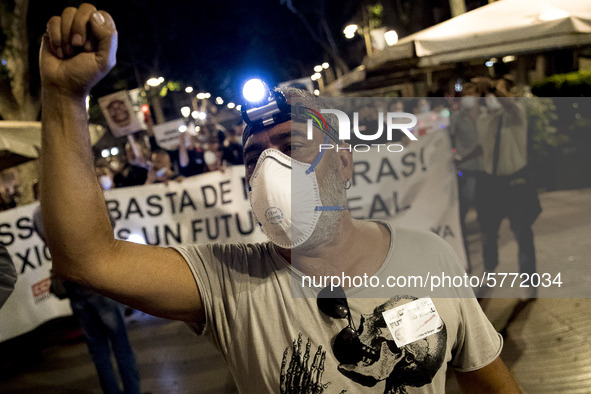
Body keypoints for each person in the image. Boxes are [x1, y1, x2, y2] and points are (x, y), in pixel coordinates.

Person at [39, 5, 521, 393]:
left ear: (343, 162)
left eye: (292, 148)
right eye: (254, 160)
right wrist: (63, 97)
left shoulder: (429, 257)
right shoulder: (228, 283)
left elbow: (486, 379)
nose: (269, 170)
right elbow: (86, 257)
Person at [33, 169, 141, 394]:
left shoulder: (38, 213)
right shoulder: (77, 201)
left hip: (74, 286)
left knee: (98, 349)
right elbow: (108, 224)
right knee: (120, 344)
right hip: (98, 283)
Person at [473, 77, 541, 297]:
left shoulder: (516, 113)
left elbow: (509, 105)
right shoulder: (485, 119)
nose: (494, 95)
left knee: (523, 234)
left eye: (501, 90)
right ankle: (490, 270)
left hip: (516, 183)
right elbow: (483, 147)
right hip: (492, 184)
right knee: (487, 233)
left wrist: (492, 87)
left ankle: (530, 282)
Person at [450, 82, 485, 273]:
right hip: (466, 173)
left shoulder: (487, 116)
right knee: (461, 219)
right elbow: (444, 139)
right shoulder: (456, 118)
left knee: (487, 218)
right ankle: (465, 262)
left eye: (472, 94)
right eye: (466, 94)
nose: (469, 98)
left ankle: (489, 262)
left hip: (487, 172)